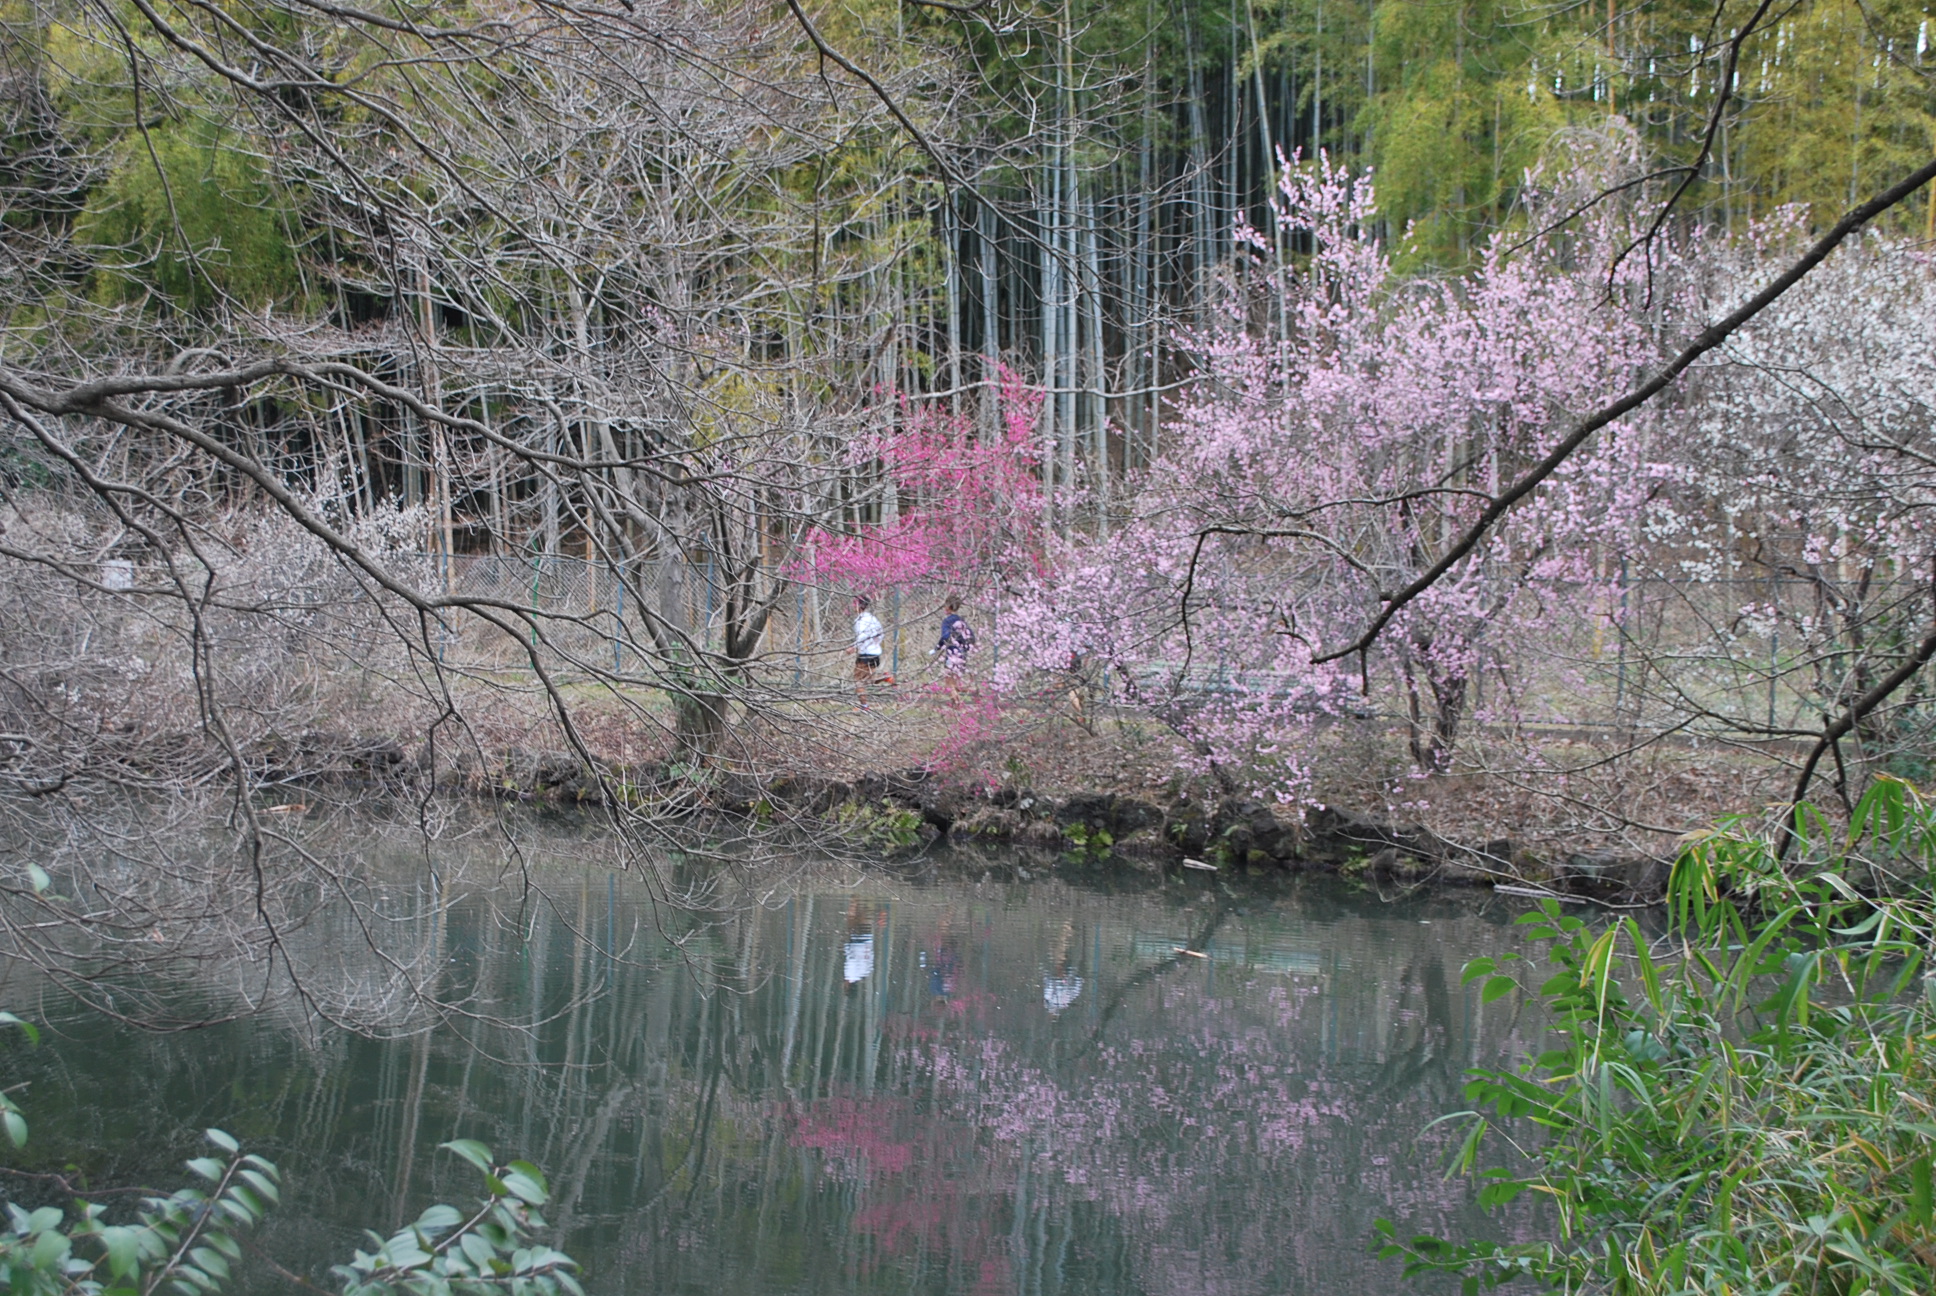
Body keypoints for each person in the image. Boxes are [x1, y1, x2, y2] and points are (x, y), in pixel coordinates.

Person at [852, 594, 892, 704]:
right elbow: (881, 634)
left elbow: (862, 636)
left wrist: (854, 647)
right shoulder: (873, 619)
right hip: (875, 654)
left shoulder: (860, 620)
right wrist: (875, 644)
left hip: (865, 655)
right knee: (867, 680)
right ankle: (884, 677)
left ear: (859, 606)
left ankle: (864, 706)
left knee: (858, 681)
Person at [932, 594, 975, 676]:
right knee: (957, 679)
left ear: (948, 606)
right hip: (962, 654)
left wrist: (937, 647)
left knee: (949, 680)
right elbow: (971, 637)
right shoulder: (962, 621)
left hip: (951, 654)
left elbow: (945, 636)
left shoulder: (947, 621)